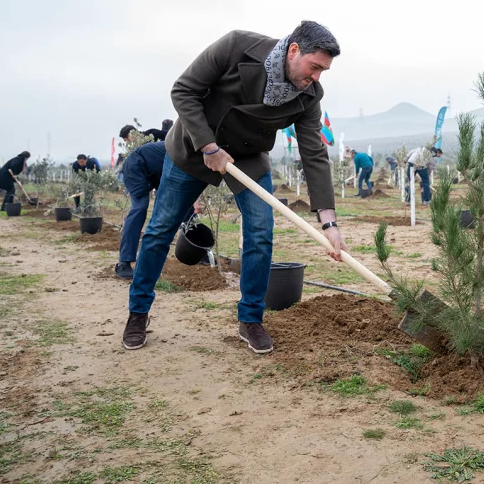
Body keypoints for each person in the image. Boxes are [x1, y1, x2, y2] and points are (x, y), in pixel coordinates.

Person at [122, 22, 347, 355]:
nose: (316, 77)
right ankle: (138, 313)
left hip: (247, 155)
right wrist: (209, 147)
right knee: (160, 229)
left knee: (260, 231)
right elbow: (183, 90)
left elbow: (313, 152)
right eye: (315, 67)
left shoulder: (310, 94)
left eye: (323, 71)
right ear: (294, 50)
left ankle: (251, 320)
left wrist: (329, 222)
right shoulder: (236, 46)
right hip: (196, 146)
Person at [114, 139, 200, 280]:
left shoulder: (196, 157)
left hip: (158, 173)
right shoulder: (184, 150)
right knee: (139, 208)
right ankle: (124, 262)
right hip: (136, 166)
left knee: (187, 208)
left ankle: (197, 253)